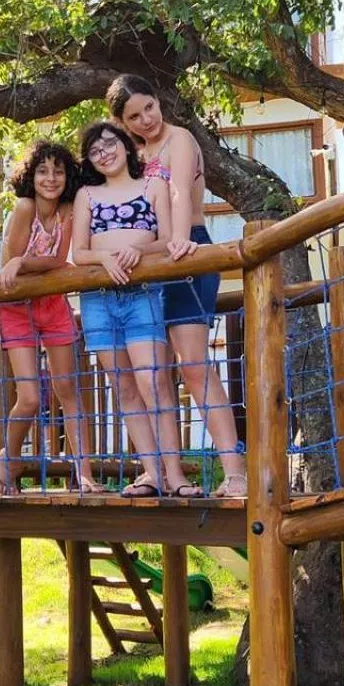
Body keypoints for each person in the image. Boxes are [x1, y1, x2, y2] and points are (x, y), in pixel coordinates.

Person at [106, 74, 249, 497]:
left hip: (188, 251)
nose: (146, 119)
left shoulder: (180, 139)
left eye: (149, 107)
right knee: (153, 374)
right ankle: (163, 472)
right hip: (147, 261)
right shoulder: (129, 153)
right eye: (134, 116)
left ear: (157, 99)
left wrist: (180, 238)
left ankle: (235, 472)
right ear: (122, 122)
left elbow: (178, 193)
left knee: (193, 365)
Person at [69, 121, 197, 497]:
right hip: (99, 299)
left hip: (142, 293)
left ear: (126, 145)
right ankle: (151, 472)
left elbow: (168, 240)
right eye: (95, 151)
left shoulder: (153, 186)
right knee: (123, 386)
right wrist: (106, 257)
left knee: (153, 381)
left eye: (110, 144)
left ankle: (175, 475)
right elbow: (79, 252)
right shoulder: (87, 195)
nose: (104, 152)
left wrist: (137, 251)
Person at [0, 140, 98, 494]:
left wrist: (23, 261)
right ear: (30, 176)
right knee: (32, 397)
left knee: (67, 388)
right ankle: (8, 459)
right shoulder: (24, 207)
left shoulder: (68, 210)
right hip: (17, 304)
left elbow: (58, 260)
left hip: (52, 300)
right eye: (42, 171)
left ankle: (83, 473)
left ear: (67, 176)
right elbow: (13, 262)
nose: (51, 178)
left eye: (58, 171)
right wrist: (19, 262)